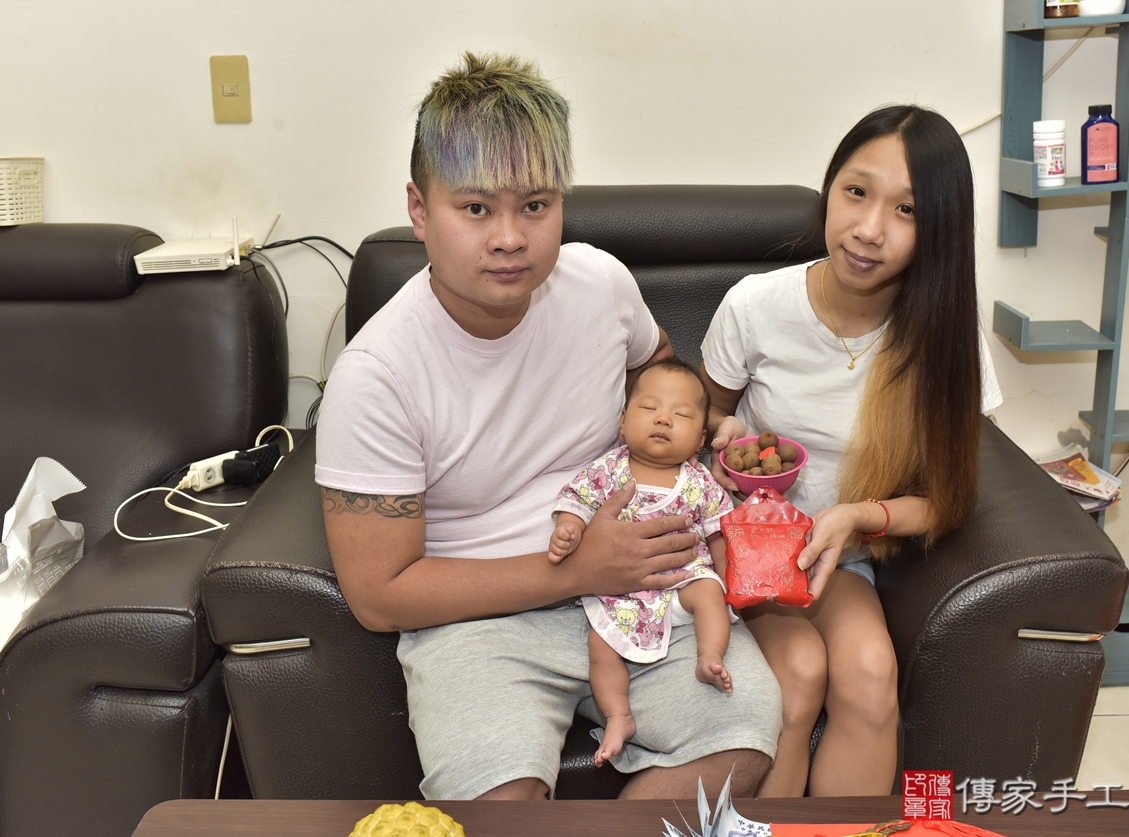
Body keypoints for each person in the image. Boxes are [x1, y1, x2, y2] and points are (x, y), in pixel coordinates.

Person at [315, 52, 781, 802]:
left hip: (647, 586)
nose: (509, 238)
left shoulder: (598, 283)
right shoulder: (377, 375)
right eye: (475, 209)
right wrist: (580, 570)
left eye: (534, 205)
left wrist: (694, 437)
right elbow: (379, 593)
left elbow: (653, 367)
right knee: (500, 805)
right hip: (480, 617)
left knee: (743, 738)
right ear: (419, 209)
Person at [699, 105, 1003, 797]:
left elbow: (946, 500)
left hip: (839, 558)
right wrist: (721, 438)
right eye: (856, 192)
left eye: (906, 210)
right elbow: (707, 414)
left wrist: (860, 516)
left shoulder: (946, 340)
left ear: (940, 228)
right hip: (744, 545)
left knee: (869, 675)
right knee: (800, 673)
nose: (868, 229)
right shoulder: (755, 305)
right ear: (829, 189)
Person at [548, 359, 735, 768]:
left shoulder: (701, 482)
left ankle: (709, 655)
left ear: (701, 439)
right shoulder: (608, 470)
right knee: (600, 643)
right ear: (622, 421)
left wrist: (729, 580)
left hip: (683, 580)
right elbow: (577, 502)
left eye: (681, 415)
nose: (663, 419)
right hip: (622, 592)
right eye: (649, 408)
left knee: (710, 592)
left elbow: (720, 534)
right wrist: (568, 528)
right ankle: (618, 716)